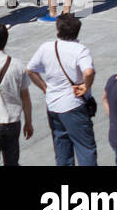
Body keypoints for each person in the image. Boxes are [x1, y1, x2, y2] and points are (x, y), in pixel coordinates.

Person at [25, 13, 97, 166]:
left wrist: (45, 88)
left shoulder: (47, 47)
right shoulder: (80, 50)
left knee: (62, 148)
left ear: (58, 30)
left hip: (53, 105)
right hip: (74, 105)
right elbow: (89, 72)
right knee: (85, 148)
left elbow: (30, 70)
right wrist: (86, 86)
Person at [0, 20, 34, 166]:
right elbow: (25, 97)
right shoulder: (17, 64)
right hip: (12, 122)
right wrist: (28, 122)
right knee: (12, 162)